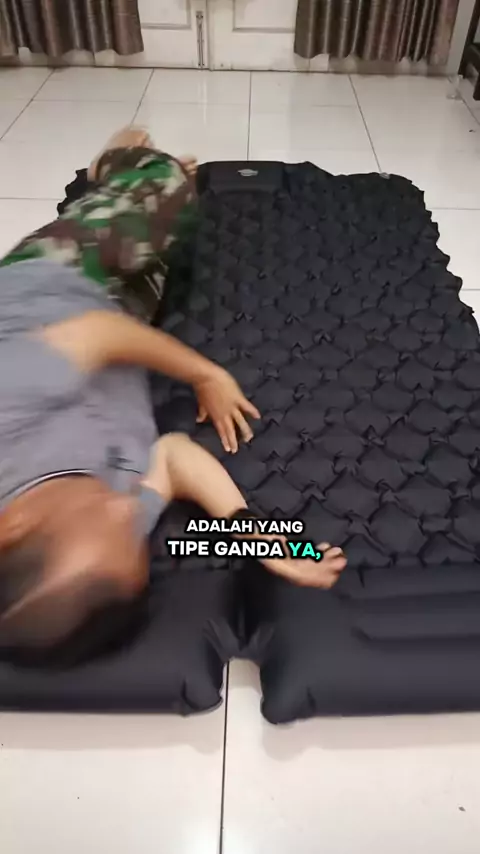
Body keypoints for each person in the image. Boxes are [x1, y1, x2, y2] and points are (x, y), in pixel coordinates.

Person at [0, 128, 346, 659]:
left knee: (170, 185)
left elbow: (99, 333)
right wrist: (261, 538)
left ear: (14, 525)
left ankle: (113, 165)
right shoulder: (114, 529)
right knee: (175, 241)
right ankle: (138, 200)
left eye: (107, 514)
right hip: (123, 314)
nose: (129, 507)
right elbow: (175, 458)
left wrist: (207, 376)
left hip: (51, 280)